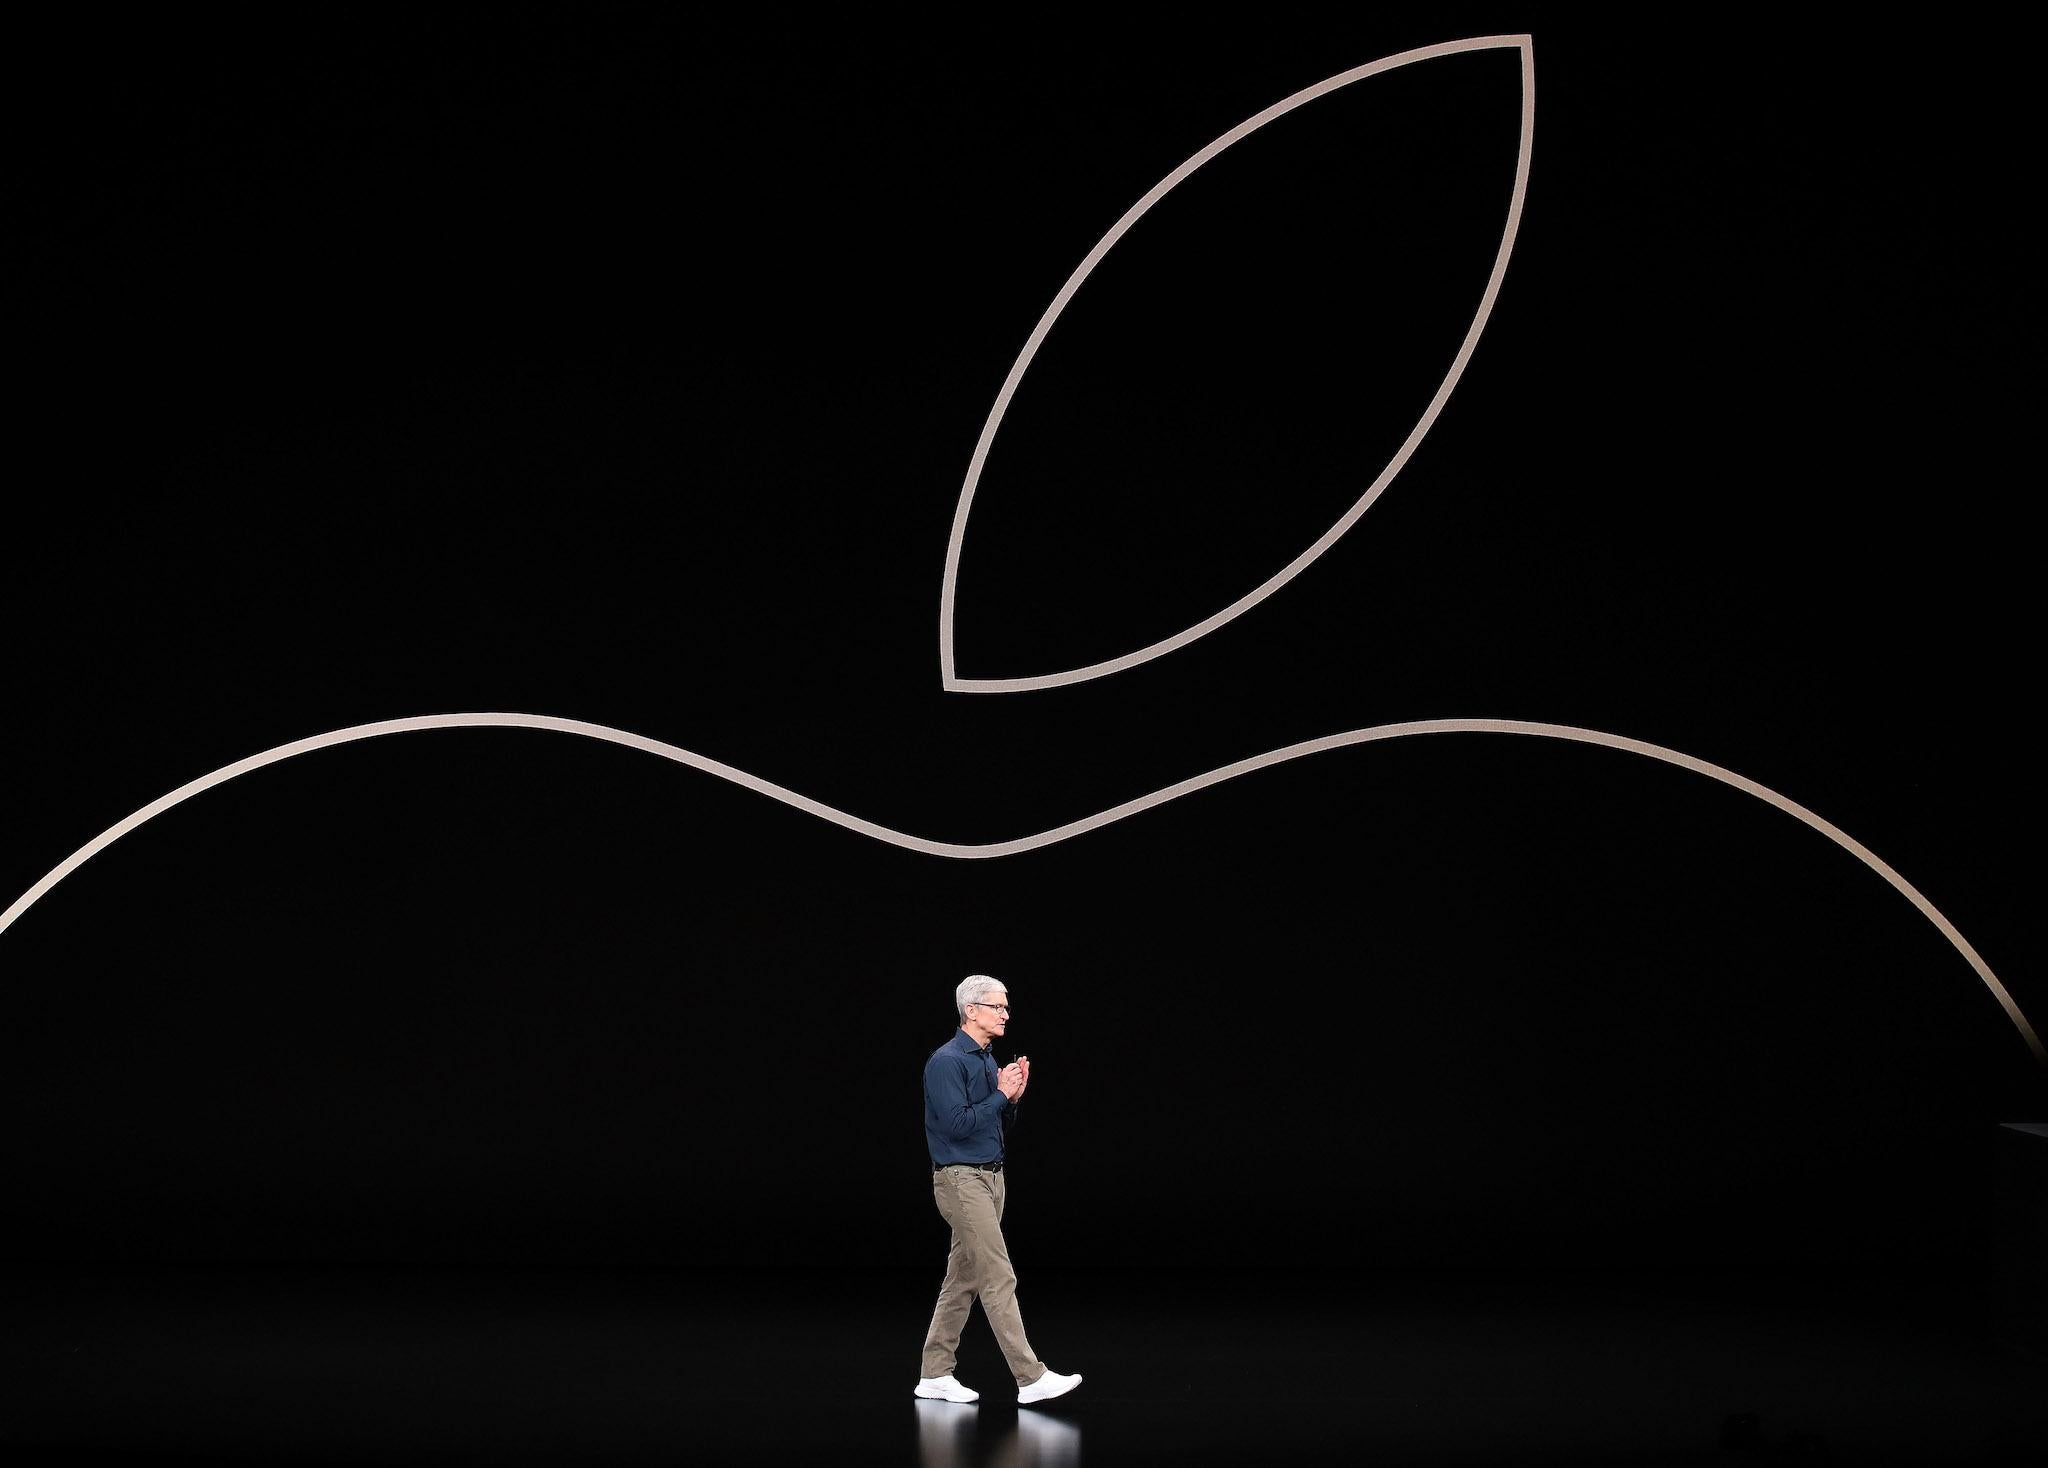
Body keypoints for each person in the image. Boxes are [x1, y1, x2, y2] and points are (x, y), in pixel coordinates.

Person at [914, 974, 1083, 1405]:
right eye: (997, 1006)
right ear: (971, 1010)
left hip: (991, 1178)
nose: (1005, 1014)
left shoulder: (988, 1060)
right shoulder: (946, 1062)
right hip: (960, 1180)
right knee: (997, 1274)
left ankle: (934, 1374)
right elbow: (957, 1126)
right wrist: (1000, 1097)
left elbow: (993, 1124)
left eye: (1005, 1007)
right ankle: (1030, 1378)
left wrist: (1013, 1097)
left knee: (963, 1278)